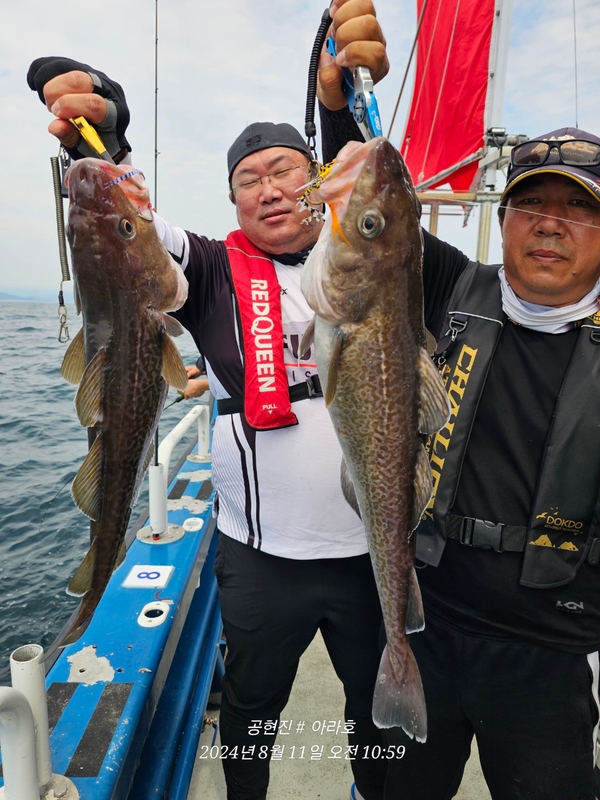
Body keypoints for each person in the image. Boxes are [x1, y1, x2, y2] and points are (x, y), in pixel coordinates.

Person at [27, 4, 390, 800]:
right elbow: (135, 235)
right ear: (231, 202)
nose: (269, 188)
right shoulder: (214, 270)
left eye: (286, 169)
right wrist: (104, 128)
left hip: (371, 556)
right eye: (247, 179)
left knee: (375, 719)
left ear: (318, 178)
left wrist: (336, 111)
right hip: (261, 559)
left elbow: (366, 188)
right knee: (254, 711)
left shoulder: (367, 257)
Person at [320, 111, 600, 800]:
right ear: (503, 219)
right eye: (530, 203)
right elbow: (368, 215)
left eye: (579, 209)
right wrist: (339, 102)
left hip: (551, 648)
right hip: (429, 617)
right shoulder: (445, 285)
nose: (550, 224)